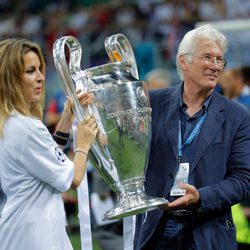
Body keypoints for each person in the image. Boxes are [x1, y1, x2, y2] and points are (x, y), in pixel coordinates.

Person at [133, 24, 250, 250]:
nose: (215, 66)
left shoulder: (237, 116)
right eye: (207, 57)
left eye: (219, 60)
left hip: (206, 232)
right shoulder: (152, 104)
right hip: (156, 229)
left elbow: (244, 179)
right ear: (183, 61)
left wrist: (201, 197)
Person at [0, 38, 98, 250]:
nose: (41, 78)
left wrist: (65, 122)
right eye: (30, 71)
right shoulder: (25, 127)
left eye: (40, 70)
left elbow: (44, 160)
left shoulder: (9, 122)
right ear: (11, 78)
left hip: (19, 227)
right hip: (35, 233)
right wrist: (83, 143)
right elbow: (74, 178)